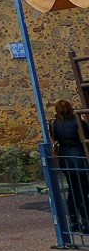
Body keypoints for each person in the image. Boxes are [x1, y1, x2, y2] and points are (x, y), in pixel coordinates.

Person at [51, 99, 89, 233]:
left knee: (72, 191)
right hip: (79, 158)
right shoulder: (77, 122)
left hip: (65, 160)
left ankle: (73, 221)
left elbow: (54, 138)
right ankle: (86, 221)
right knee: (83, 191)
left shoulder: (54, 123)